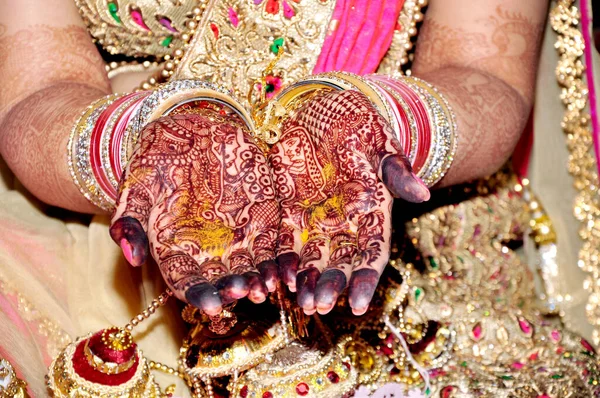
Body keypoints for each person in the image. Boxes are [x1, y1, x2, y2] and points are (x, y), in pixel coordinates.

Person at [0, 0, 598, 396]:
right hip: (101, 188)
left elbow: (481, 69)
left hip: (373, 207)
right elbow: (41, 87)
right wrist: (149, 143)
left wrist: (379, 122)